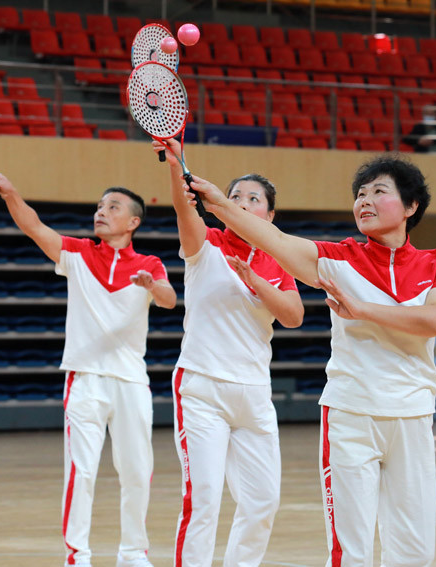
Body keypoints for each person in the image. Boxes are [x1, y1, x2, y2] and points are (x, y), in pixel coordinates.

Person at [184, 155, 436, 567]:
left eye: (379, 192)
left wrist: (362, 309)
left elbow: (435, 319)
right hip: (351, 414)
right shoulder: (337, 257)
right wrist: (220, 204)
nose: (364, 201)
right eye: (360, 194)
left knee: (415, 551)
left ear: (411, 206)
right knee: (351, 551)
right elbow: (275, 241)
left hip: (413, 415)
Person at [0, 173, 177, 567]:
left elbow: (170, 300)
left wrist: (151, 286)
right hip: (84, 379)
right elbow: (33, 227)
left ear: (133, 221)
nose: (101, 212)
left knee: (137, 473)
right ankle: (77, 556)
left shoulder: (150, 263)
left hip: (131, 383)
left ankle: (133, 553)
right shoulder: (77, 253)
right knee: (81, 473)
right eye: (99, 206)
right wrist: (12, 193)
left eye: (112, 207)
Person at [152, 139, 304, 567]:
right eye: (235, 196)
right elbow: (185, 208)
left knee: (262, 502)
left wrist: (255, 278)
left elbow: (292, 316)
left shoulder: (278, 258)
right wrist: (174, 158)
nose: (241, 202)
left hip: (254, 396)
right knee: (203, 501)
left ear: (269, 216)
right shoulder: (208, 243)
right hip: (203, 389)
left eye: (253, 199)